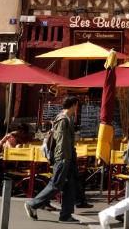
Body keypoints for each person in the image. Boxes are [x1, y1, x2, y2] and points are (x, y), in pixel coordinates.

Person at [25, 96, 80, 224]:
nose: (77, 108)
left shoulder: (67, 119)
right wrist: (63, 159)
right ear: (74, 105)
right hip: (63, 157)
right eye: (77, 105)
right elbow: (61, 141)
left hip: (68, 157)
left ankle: (65, 215)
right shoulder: (62, 120)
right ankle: (33, 204)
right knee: (56, 184)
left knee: (69, 186)